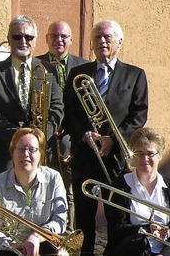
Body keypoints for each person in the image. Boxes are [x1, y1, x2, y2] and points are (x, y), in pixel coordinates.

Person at [63, 20, 148, 255]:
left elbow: (139, 115)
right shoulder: (77, 74)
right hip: (84, 155)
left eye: (107, 37)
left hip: (116, 159)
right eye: (97, 38)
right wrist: (83, 134)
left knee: (117, 215)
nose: (102, 41)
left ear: (119, 42)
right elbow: (67, 113)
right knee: (84, 218)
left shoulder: (135, 75)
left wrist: (114, 139)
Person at [0, 15, 63, 178]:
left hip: (42, 149)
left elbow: (57, 107)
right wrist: (17, 136)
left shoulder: (50, 71)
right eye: (17, 36)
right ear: (8, 39)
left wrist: (40, 135)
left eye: (28, 37)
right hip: (6, 149)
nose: (23, 41)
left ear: (35, 40)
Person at [35, 20, 88, 230]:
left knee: (70, 187)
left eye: (63, 36)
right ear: (47, 39)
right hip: (45, 134)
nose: (59, 40)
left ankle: (69, 231)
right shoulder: (36, 63)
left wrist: (68, 126)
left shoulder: (84, 66)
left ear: (71, 40)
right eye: (54, 36)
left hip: (71, 136)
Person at [103, 128, 170, 256]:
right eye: (139, 153)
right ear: (133, 157)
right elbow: (116, 229)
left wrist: (165, 255)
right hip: (132, 251)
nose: (145, 159)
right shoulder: (120, 185)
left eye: (150, 153)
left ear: (160, 155)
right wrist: (145, 228)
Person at [0, 128, 67, 256]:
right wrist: (12, 246)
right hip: (9, 247)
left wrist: (37, 236)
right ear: (12, 153)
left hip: (42, 242)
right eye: (20, 149)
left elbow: (60, 220)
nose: (26, 154)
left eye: (32, 150)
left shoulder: (54, 178)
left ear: (41, 154)